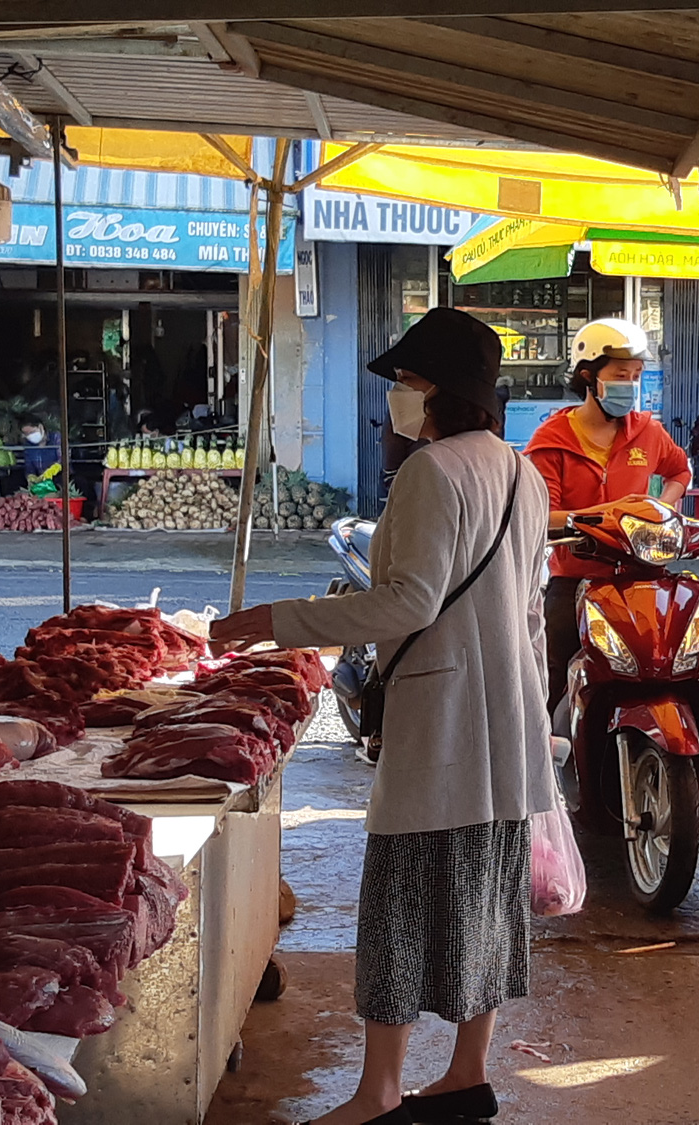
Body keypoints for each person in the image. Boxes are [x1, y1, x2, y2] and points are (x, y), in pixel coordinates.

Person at [211, 307, 554, 1125]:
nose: (398, 396)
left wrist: (278, 621)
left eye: (406, 380)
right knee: (486, 901)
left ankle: (379, 1091)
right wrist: (540, 715)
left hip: (444, 724)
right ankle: (467, 1073)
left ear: (437, 390)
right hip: (507, 722)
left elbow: (409, 601)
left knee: (400, 901)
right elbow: (530, 613)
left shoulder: (432, 473)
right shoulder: (523, 473)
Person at [524, 318, 699, 857]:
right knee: (544, 692)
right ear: (588, 376)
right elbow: (543, 512)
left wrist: (664, 508)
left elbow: (679, 470)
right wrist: (604, 516)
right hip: (576, 583)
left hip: (646, 578)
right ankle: (536, 822)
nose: (631, 383)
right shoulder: (551, 440)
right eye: (621, 373)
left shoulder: (647, 432)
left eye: (637, 373)